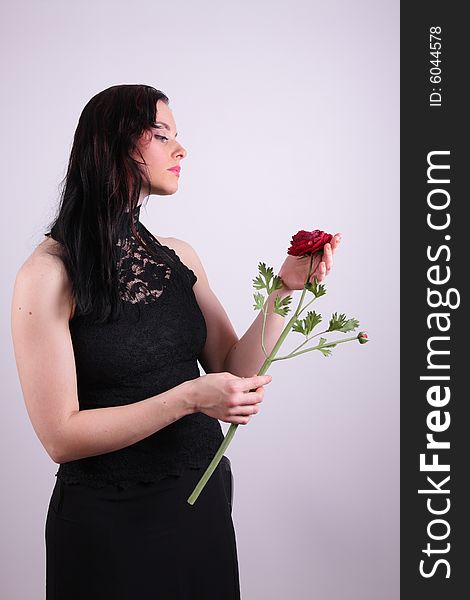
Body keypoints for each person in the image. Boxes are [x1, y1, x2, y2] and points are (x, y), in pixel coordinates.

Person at [10, 84, 340, 599]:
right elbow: (60, 436)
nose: (180, 149)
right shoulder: (47, 274)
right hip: (107, 524)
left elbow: (233, 366)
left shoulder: (178, 254)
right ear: (113, 146)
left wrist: (285, 288)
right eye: (162, 135)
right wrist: (189, 398)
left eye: (177, 136)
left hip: (197, 500)